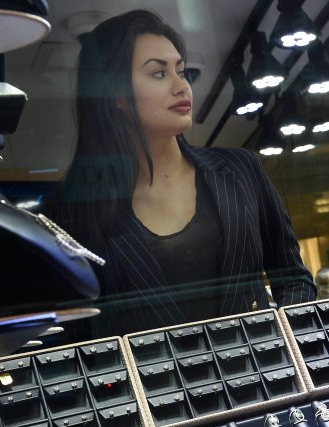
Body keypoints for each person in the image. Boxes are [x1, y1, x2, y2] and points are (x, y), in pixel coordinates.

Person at [49, 9, 315, 335]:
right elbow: (76, 335)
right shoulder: (75, 209)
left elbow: (294, 278)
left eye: (181, 71)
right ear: (114, 93)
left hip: (262, 377)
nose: (182, 86)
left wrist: (283, 342)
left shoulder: (241, 170)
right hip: (153, 384)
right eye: (158, 74)